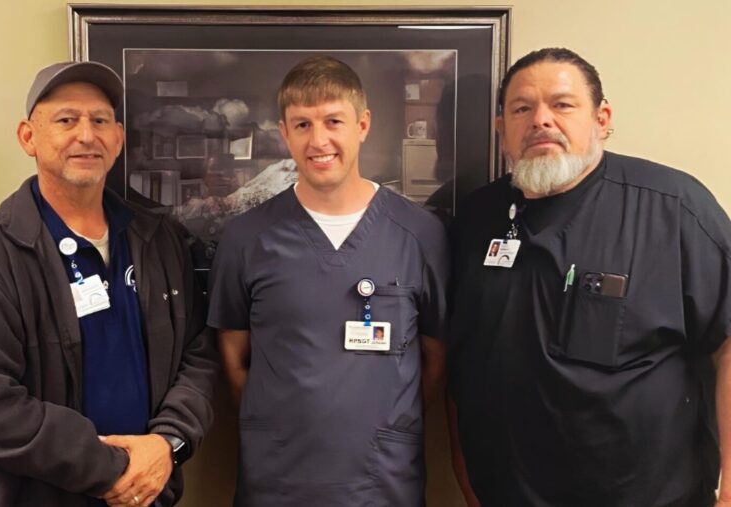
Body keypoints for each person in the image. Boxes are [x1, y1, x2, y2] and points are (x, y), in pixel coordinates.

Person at [448, 47, 731, 506]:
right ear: (502, 130)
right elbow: (462, 362)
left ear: (602, 119)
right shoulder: (475, 219)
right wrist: (469, 480)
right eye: (522, 108)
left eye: (562, 104)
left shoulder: (673, 208)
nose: (541, 120)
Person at [0, 61, 218, 507]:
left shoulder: (158, 239)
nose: (87, 135)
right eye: (67, 120)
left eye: (100, 121)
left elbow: (199, 355)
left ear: (118, 138)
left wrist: (168, 445)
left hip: (149, 494)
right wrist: (116, 469)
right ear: (28, 136)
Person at [208, 55, 449, 506]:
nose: (318, 140)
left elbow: (434, 356)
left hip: (383, 483)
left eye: (333, 121)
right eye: (302, 125)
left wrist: (385, 427)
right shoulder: (246, 238)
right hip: (277, 481)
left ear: (362, 124)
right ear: (284, 132)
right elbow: (233, 357)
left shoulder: (420, 234)